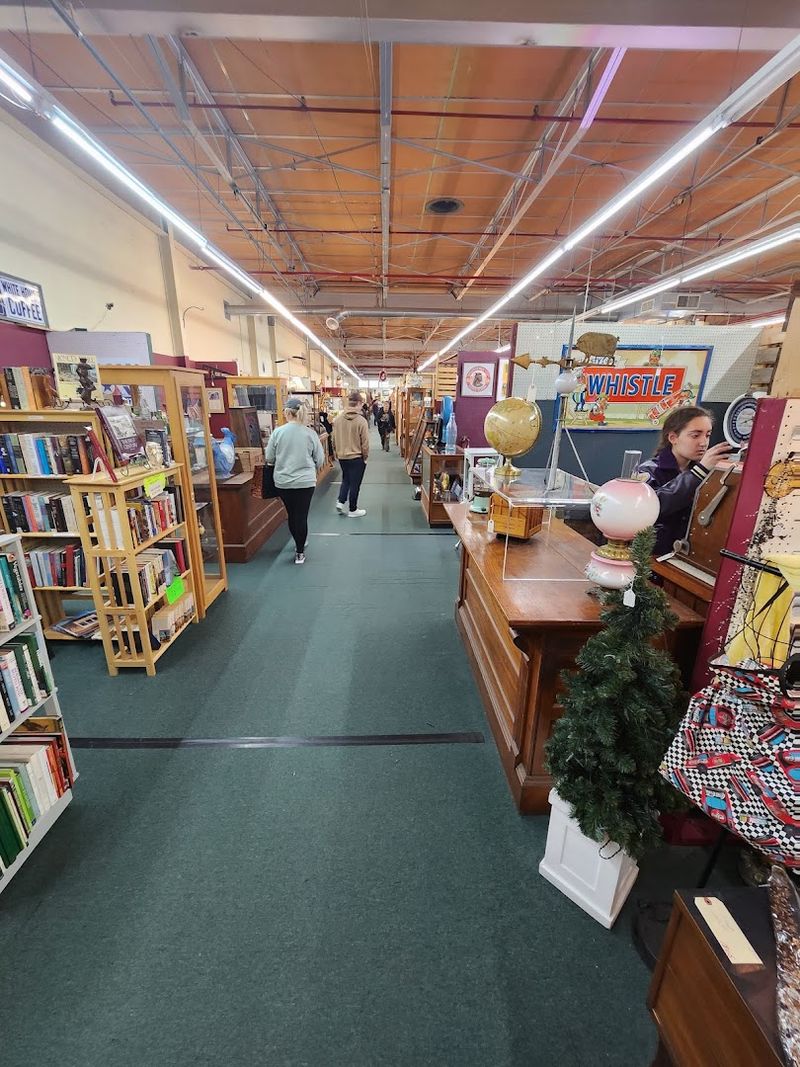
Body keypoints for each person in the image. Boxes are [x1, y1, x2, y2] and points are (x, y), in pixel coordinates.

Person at [638, 405, 732, 557]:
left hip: (689, 557)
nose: (703, 442)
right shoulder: (648, 470)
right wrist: (698, 472)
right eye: (695, 436)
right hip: (652, 557)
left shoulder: (706, 472)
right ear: (673, 438)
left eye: (707, 435)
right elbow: (653, 507)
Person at [265, 396, 325, 564]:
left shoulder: (278, 432)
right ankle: (300, 550)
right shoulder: (310, 433)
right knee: (302, 515)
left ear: (286, 413)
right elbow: (320, 459)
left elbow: (269, 458)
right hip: (305, 482)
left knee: (292, 515)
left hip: (283, 481)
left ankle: (298, 541)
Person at [333, 390, 369, 517]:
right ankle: (353, 510)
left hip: (342, 456)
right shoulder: (361, 421)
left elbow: (333, 439)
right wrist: (365, 457)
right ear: (358, 403)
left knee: (346, 479)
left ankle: (340, 501)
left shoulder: (337, 420)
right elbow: (365, 443)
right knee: (355, 484)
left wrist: (336, 453)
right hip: (356, 457)